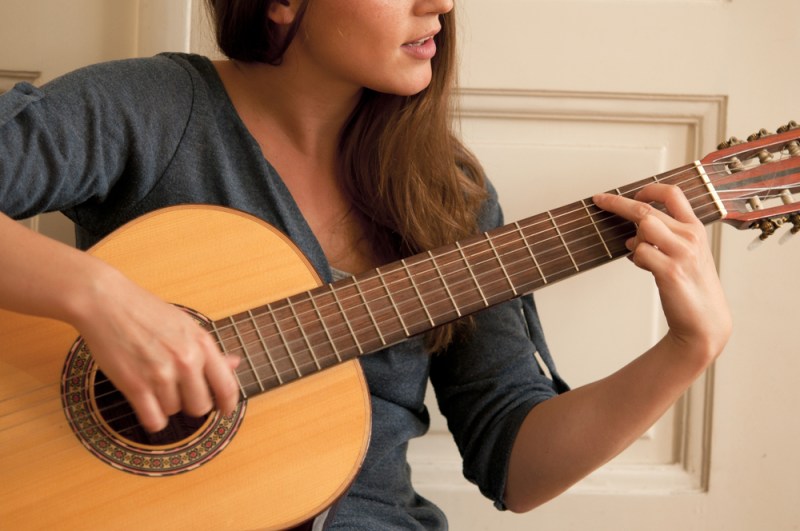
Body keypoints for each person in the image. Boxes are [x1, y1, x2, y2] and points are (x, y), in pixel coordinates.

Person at [0, 0, 731, 528]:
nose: (439, 5)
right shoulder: (149, 110)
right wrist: (96, 295)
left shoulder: (450, 194)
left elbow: (515, 466)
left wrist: (685, 351)